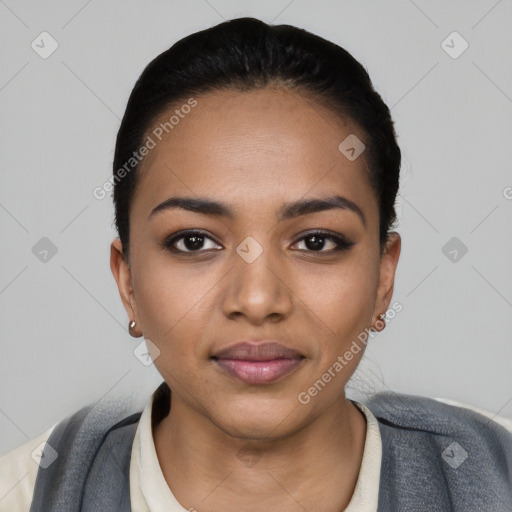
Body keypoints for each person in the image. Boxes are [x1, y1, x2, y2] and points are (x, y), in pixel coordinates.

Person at [1, 16, 511, 512]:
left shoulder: (494, 478)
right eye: (194, 241)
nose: (257, 299)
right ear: (128, 279)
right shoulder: (23, 495)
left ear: (383, 275)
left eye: (316, 241)